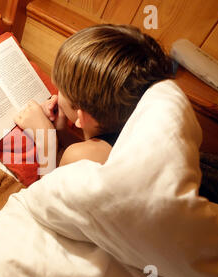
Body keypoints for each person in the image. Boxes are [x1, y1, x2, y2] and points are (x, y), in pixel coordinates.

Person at [14, 24, 173, 175]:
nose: (56, 94)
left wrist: (46, 139)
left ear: (80, 117)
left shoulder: (76, 155)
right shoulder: (133, 124)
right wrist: (62, 131)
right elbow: (91, 157)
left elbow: (45, 197)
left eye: (61, 91)